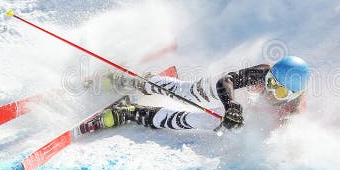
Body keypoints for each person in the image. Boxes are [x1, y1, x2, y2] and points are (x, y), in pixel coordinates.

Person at [87, 56, 310, 133]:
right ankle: (137, 82)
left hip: (247, 117)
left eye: (279, 90)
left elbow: (271, 140)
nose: (271, 90)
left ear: (292, 95)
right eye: (270, 82)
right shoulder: (261, 73)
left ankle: (132, 113)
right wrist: (231, 104)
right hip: (234, 100)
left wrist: (239, 128)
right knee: (193, 93)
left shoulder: (291, 113)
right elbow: (226, 81)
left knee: (201, 120)